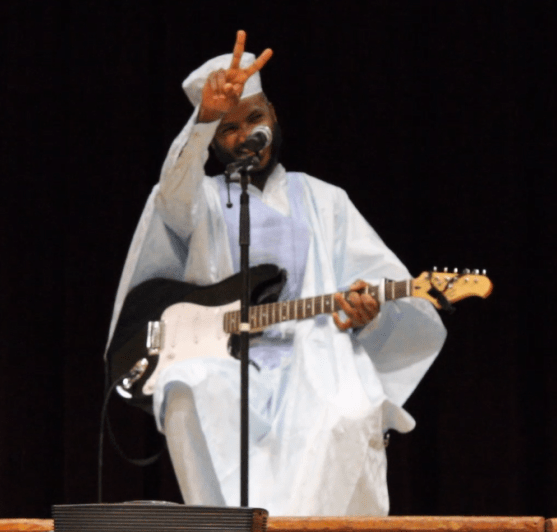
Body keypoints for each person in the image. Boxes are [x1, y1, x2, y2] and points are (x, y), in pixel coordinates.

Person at [106, 30, 446, 516]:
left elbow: (385, 287)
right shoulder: (197, 200)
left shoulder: (325, 200)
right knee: (187, 386)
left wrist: (367, 315)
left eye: (255, 118)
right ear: (214, 140)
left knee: (343, 412)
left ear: (273, 116)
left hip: (315, 358)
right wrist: (202, 119)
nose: (247, 135)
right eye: (229, 128)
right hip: (226, 360)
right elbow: (170, 195)